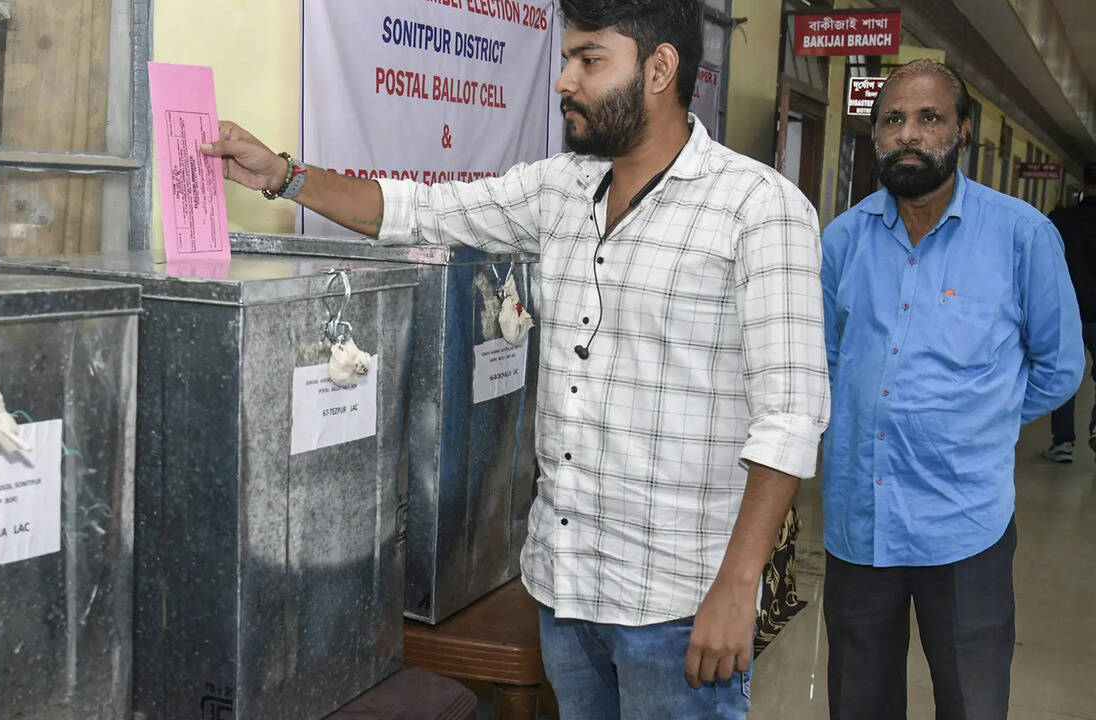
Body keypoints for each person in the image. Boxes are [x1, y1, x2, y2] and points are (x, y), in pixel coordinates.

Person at [203, 1, 829, 716]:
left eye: (590, 60)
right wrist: (284, 174)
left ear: (660, 69)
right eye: (564, 59)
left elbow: (790, 416)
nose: (565, 80)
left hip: (679, 604)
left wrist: (738, 587)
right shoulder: (562, 188)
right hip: (565, 591)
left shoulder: (759, 208)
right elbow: (415, 211)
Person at [819, 59, 1084, 720]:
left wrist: (980, 420)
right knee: (858, 701)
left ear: (962, 130)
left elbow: (1059, 368)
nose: (908, 134)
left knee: (972, 700)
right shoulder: (842, 241)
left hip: (964, 525)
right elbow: (824, 365)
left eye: (929, 118)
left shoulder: (1023, 237)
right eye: (892, 120)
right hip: (860, 522)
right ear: (875, 135)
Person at [1042, 162, 1096, 463]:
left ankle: (1063, 442)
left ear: (1084, 186)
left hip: (1067, 310)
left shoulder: (1062, 220)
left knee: (1065, 375)